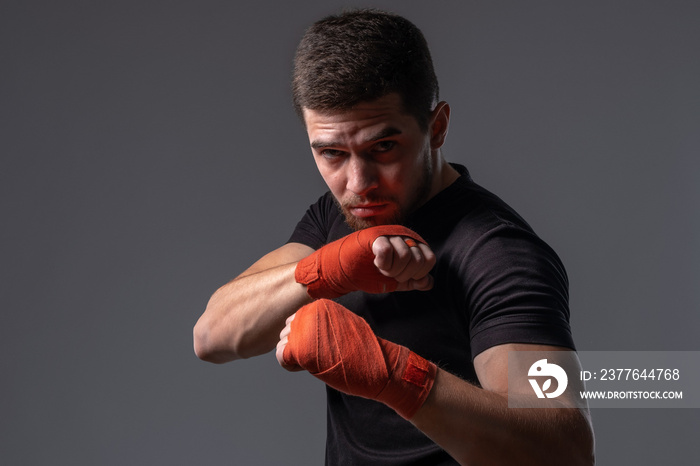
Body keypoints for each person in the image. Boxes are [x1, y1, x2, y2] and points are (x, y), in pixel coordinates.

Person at [194, 9, 595, 465]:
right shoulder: (339, 215)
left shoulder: (496, 252)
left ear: (437, 127)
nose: (357, 182)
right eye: (331, 153)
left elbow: (564, 452)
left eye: (382, 147)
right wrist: (326, 269)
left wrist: (397, 376)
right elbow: (212, 335)